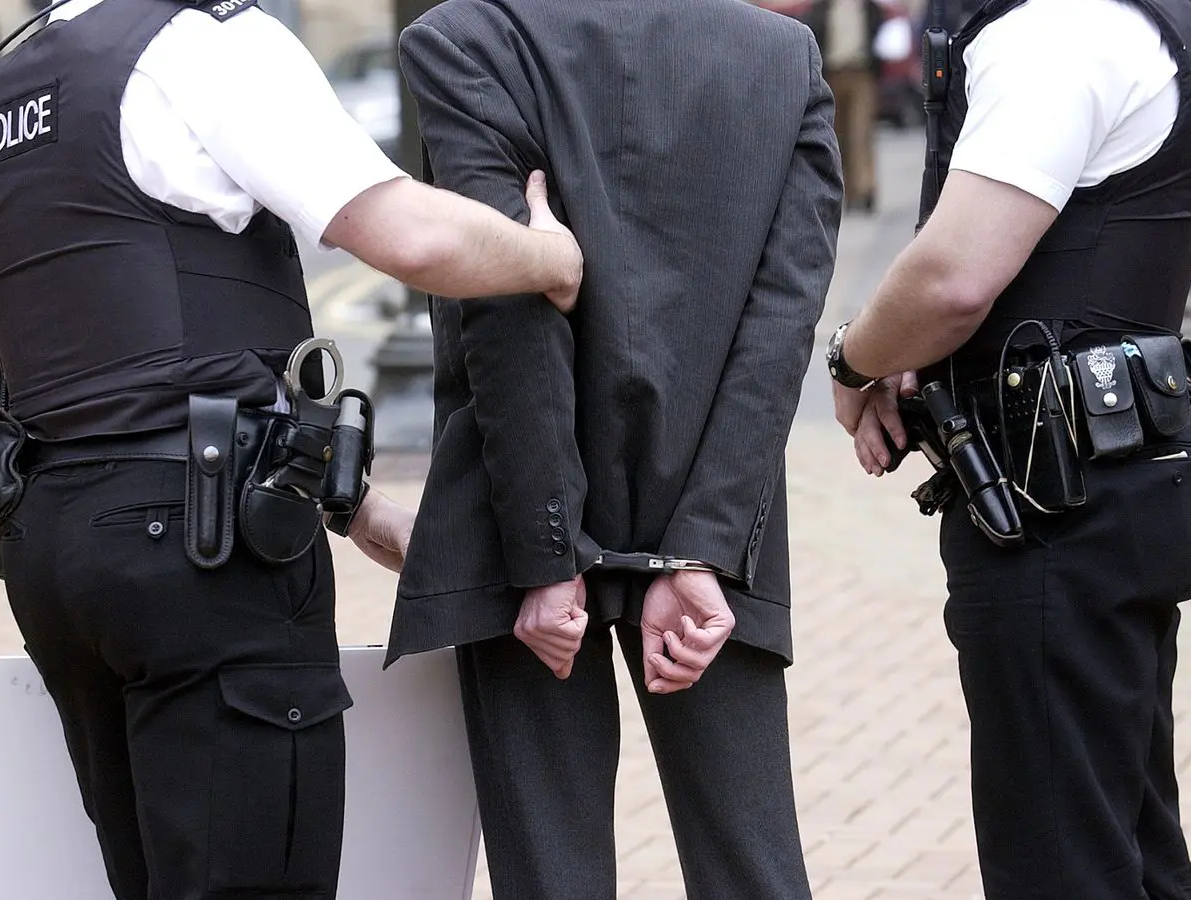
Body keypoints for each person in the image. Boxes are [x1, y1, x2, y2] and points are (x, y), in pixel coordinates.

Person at [0, 0, 581, 898]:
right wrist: (553, 261)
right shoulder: (202, 43)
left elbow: (103, 343)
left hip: (54, 544)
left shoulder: (15, 83)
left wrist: (350, 505)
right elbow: (409, 234)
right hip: (202, 552)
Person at [384, 1, 843, 897]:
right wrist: (707, 543)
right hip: (711, 502)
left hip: (518, 509)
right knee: (751, 869)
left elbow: (507, 305)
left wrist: (546, 553)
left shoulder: (465, 38)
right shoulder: (782, 57)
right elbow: (781, 325)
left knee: (552, 877)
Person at [827, 0, 1191, 896]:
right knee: (1129, 843)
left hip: (1054, 505)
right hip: (1105, 486)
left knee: (1061, 860)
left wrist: (852, 356)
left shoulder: (1055, 30)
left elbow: (954, 279)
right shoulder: (1128, 23)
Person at [799, 0, 883, 212]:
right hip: (833, 76)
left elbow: (880, 35)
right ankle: (849, 191)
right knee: (838, 136)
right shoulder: (823, 8)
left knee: (860, 133)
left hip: (861, 74)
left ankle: (866, 188)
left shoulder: (868, 8)